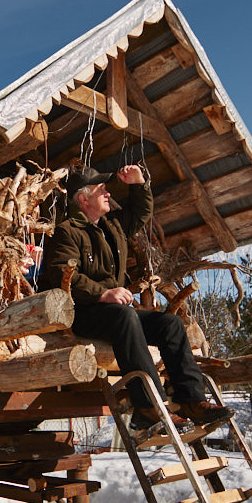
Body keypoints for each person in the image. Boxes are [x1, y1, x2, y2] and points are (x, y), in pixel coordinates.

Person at [40, 163, 231, 430]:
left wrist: (139, 183)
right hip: (83, 313)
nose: (107, 193)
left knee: (170, 324)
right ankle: (149, 407)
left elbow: (141, 212)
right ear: (83, 199)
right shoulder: (67, 232)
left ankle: (192, 401)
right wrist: (103, 293)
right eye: (101, 189)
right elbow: (61, 273)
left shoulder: (113, 226)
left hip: (115, 315)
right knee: (125, 315)